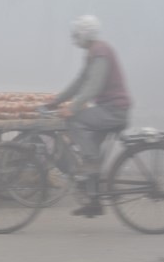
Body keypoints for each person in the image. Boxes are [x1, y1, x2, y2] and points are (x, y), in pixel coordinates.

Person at [44, 15, 132, 217]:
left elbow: (93, 86)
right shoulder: (92, 53)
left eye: (76, 34)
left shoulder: (100, 52)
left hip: (114, 110)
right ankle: (94, 201)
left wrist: (72, 108)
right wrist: (56, 101)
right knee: (87, 151)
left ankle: (91, 164)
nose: (74, 37)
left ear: (84, 34)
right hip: (107, 109)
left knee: (75, 122)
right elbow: (79, 82)